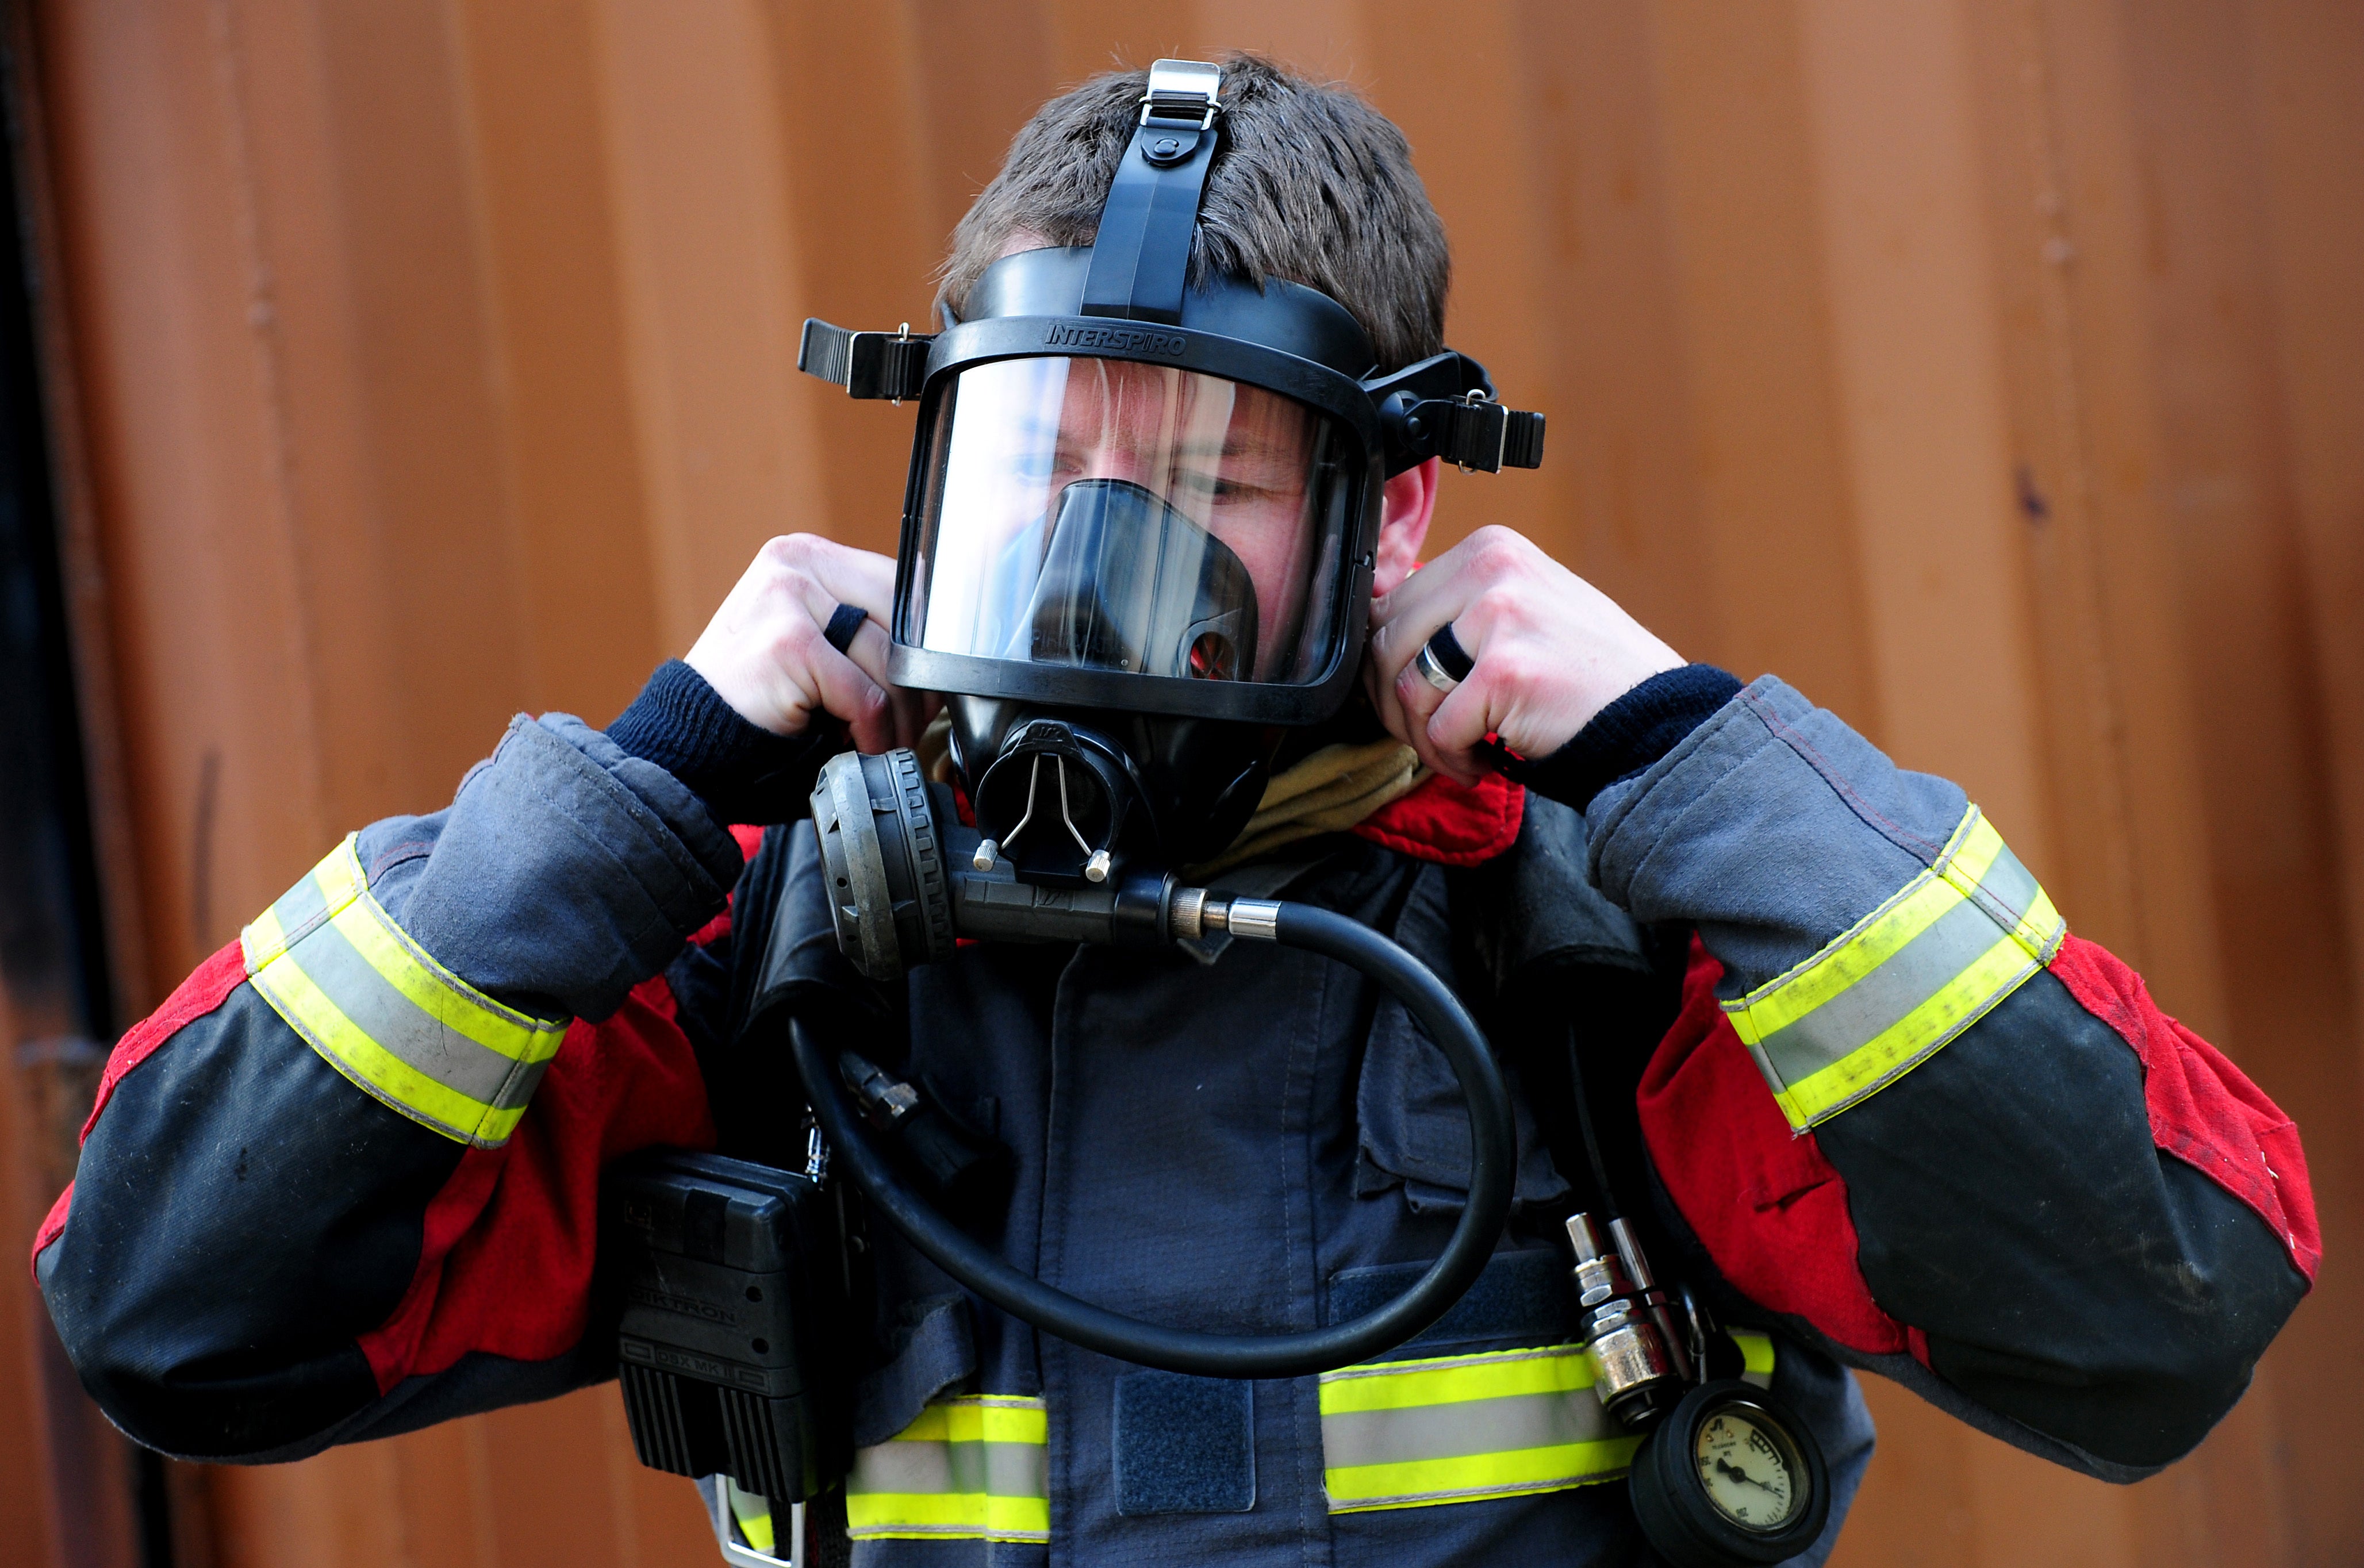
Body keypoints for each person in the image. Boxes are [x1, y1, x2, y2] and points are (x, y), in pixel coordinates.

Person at [35, 55, 2315, 1568]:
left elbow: (2155, 1310)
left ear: (1391, 507)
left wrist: (1682, 755)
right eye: (1044, 461)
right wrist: (637, 788)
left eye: (1204, 479)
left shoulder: (1609, 951)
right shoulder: (774, 952)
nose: (1093, 551)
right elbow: (167, 1304)